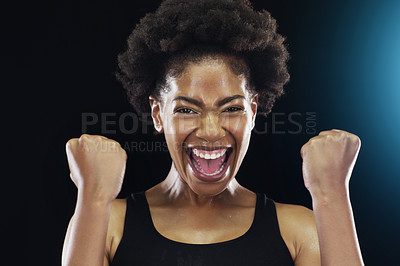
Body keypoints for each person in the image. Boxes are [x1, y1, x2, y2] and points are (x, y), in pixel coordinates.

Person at [61, 0, 364, 265]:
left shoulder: (296, 231)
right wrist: (94, 197)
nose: (209, 131)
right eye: (186, 110)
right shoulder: (108, 223)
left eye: (231, 108)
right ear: (157, 114)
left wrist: (331, 195)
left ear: (253, 111)